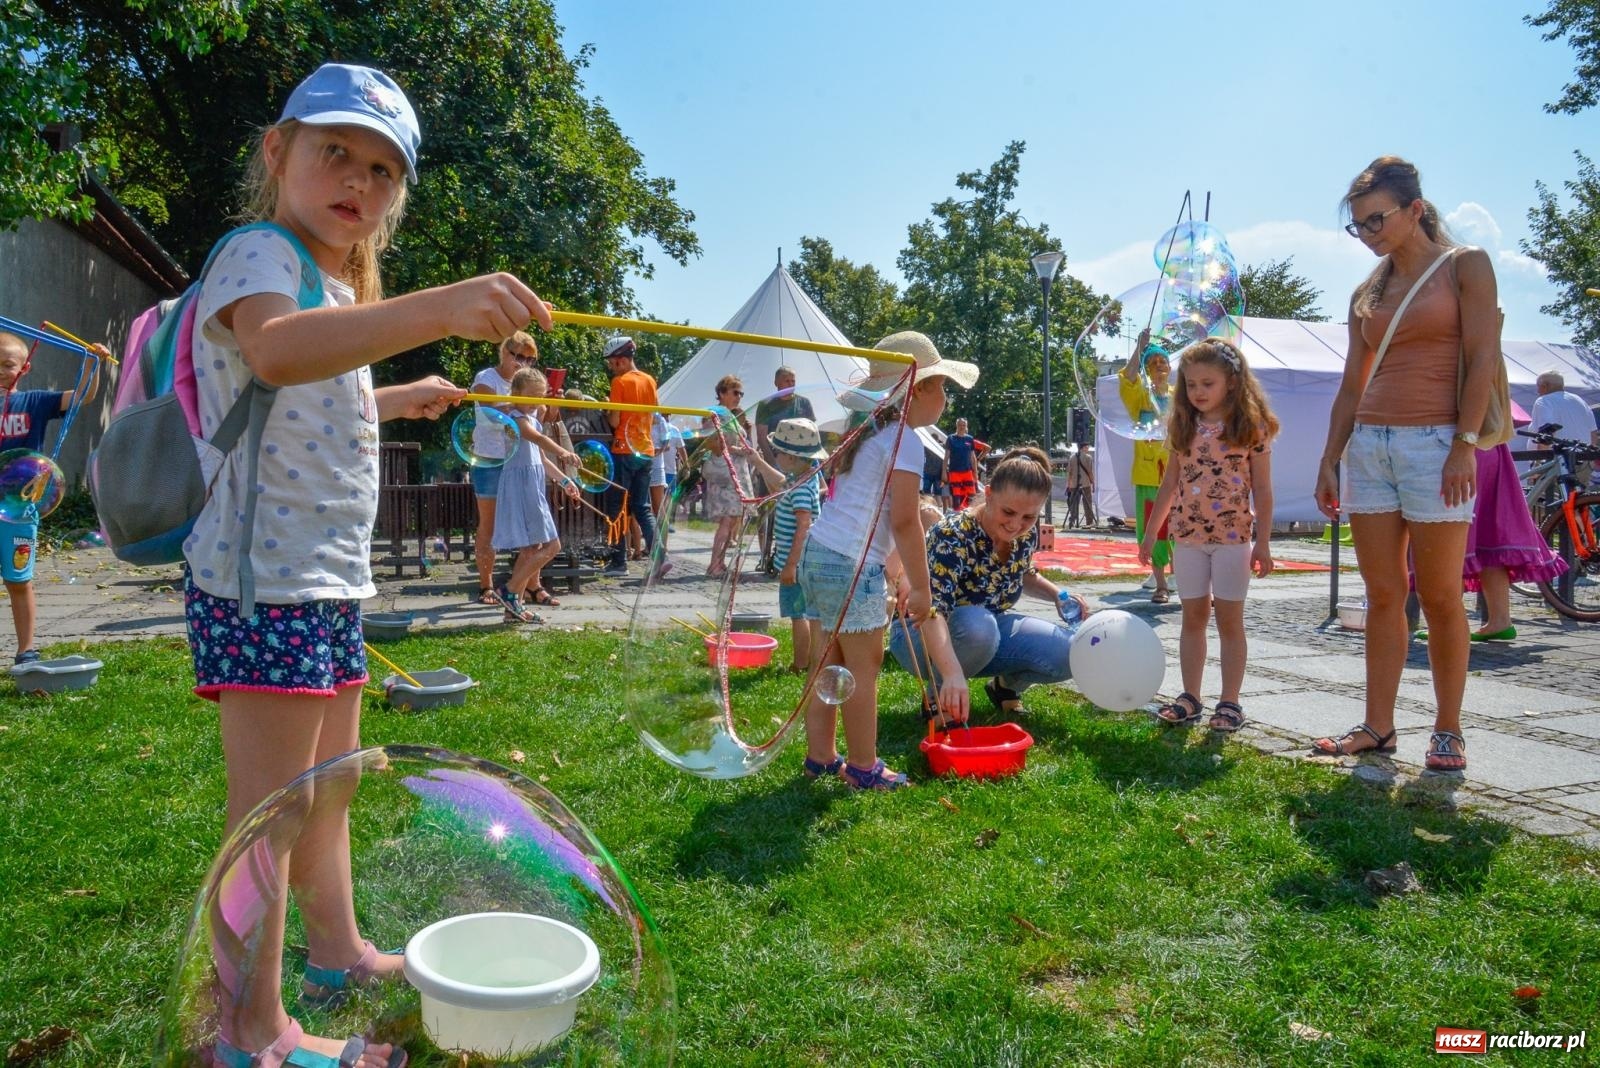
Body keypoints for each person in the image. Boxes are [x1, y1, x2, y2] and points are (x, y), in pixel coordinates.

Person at [183, 63, 550, 1068]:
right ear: (277, 151)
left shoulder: (332, 286)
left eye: (383, 168)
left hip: (324, 579)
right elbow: (271, 355)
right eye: (334, 151)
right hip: (266, 581)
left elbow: (304, 394)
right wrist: (438, 311)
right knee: (273, 811)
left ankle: (335, 951)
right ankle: (247, 1034)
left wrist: (400, 394)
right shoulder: (258, 253)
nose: (358, 179)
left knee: (332, 783)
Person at [1312, 155, 1500, 773]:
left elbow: (1480, 357)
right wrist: (1330, 458)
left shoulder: (1465, 266)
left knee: (1443, 595)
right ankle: (1379, 726)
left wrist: (1464, 444)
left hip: (1436, 443)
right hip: (1370, 445)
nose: (1367, 235)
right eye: (1358, 226)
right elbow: (1349, 385)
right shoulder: (1367, 290)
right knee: (1382, 593)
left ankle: (1448, 729)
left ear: (1415, 210)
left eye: (1376, 220)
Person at [799, 331, 978, 790]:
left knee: (827, 664)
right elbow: (904, 521)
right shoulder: (907, 442)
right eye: (940, 386)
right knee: (864, 668)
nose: (944, 397)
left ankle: (820, 757)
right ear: (917, 389)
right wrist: (920, 587)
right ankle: (864, 767)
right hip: (849, 566)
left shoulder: (870, 433)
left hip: (818, 554)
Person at [1139, 338, 1278, 732]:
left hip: (1233, 539)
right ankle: (1190, 696)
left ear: (1231, 382)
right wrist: (1152, 536)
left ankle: (1230, 702)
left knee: (1231, 621)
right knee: (1192, 618)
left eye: (1207, 383)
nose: (1197, 392)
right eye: (1191, 384)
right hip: (1188, 539)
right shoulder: (1184, 426)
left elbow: (1264, 490)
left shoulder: (1252, 428)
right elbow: (1169, 486)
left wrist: (1263, 541)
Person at [889, 447, 1087, 718]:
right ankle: (939, 694)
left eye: (1029, 517)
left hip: (983, 634)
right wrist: (952, 673)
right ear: (990, 493)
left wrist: (1058, 595)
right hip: (917, 632)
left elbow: (1022, 573)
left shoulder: (1025, 535)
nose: (1016, 525)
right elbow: (932, 610)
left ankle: (1004, 688)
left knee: (1070, 651)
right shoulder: (953, 534)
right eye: (1009, 512)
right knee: (980, 626)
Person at [0, 331, 100, 664]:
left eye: (7, 364)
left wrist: (93, 364)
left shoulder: (36, 402)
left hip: (19, 510)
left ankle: (26, 650)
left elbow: (82, 396)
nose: (0, 370)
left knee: (20, 579)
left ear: (24, 368)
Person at [493, 367, 579, 620]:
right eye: (531, 396)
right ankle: (508, 591)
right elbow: (537, 438)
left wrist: (564, 480)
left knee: (531, 549)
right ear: (516, 393)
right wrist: (564, 452)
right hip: (520, 486)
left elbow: (541, 458)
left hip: (532, 484)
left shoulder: (532, 418)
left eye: (540, 396)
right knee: (552, 545)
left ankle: (513, 608)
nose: (535, 402)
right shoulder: (515, 418)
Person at [743, 417, 827, 673]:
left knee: (799, 615)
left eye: (777, 452)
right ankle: (810, 662)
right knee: (806, 614)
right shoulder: (803, 477)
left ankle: (801, 664)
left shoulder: (801, 488)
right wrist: (757, 461)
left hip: (798, 564)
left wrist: (790, 566)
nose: (775, 455)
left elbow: (804, 526)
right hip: (803, 562)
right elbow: (781, 484)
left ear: (791, 457)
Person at [469, 332, 539, 605]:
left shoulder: (529, 383)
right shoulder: (486, 378)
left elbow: (536, 422)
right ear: (504, 352)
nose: (523, 363)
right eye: (519, 356)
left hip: (520, 459)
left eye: (530, 359)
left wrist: (547, 404)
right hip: (489, 458)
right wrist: (524, 401)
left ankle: (530, 585)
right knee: (489, 523)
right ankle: (486, 586)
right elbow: (490, 412)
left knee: (529, 522)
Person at [599, 336, 659, 577]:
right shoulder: (650, 380)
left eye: (612, 363)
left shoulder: (619, 382)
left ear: (622, 361)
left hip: (623, 448)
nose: (611, 367)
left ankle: (618, 562)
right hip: (645, 449)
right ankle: (659, 556)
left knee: (617, 507)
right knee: (643, 507)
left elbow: (614, 420)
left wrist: (607, 408)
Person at [1122, 330, 1174, 602]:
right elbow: (1127, 378)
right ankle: (1162, 584)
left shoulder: (1182, 396)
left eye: (1162, 361)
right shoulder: (1140, 397)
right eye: (1152, 362)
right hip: (1148, 474)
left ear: (1170, 366)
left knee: (1182, 526)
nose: (1158, 366)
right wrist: (1139, 348)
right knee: (1154, 528)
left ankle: (1187, 580)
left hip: (1179, 472)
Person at [754, 365, 816, 568]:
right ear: (777, 383)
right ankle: (765, 555)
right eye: (787, 380)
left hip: (798, 464)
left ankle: (792, 556)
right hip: (774, 459)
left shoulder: (803, 403)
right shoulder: (766, 404)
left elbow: (811, 431)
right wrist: (772, 465)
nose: (791, 384)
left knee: (795, 511)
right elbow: (762, 437)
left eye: (793, 380)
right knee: (767, 509)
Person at [701, 375, 753, 577]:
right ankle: (714, 564)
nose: (738, 397)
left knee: (731, 521)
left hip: (733, 474)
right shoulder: (716, 415)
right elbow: (713, 444)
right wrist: (740, 450)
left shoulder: (728, 416)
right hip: (725, 474)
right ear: (722, 393)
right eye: (735, 392)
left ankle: (719, 562)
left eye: (741, 393)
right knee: (727, 520)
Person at [1528, 371, 1597, 448]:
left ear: (1545, 386)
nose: (1538, 391)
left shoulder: (1544, 401)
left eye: (1538, 386)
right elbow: (1593, 432)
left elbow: (1546, 434)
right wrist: (1590, 458)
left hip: (1558, 458)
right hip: (1582, 457)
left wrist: (1541, 459)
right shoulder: (1579, 400)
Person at [943, 418, 987, 511]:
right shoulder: (951, 438)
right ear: (956, 426)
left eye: (964, 425)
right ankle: (956, 514)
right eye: (960, 425)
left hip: (967, 471)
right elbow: (946, 456)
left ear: (966, 426)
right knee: (956, 496)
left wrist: (975, 472)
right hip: (954, 471)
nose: (962, 427)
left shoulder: (969, 439)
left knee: (972, 495)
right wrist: (943, 472)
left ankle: (970, 512)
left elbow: (973, 457)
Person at [1064, 443, 1096, 529]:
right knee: (1087, 503)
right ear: (1082, 448)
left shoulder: (1072, 457)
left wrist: (1069, 484)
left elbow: (1069, 473)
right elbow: (1090, 472)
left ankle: (1072, 521)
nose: (1088, 449)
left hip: (1074, 484)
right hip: (1085, 483)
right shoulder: (1088, 457)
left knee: (1073, 504)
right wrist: (1093, 482)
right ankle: (1089, 522)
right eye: (1086, 447)